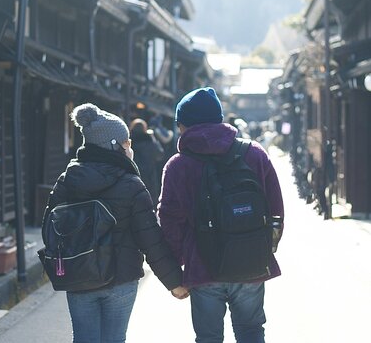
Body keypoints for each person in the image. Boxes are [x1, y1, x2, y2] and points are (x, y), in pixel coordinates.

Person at [44, 103, 188, 343]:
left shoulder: (67, 180)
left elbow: (50, 228)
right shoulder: (131, 184)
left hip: (79, 276)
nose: (129, 147)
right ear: (114, 145)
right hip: (121, 278)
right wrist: (175, 282)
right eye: (126, 142)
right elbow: (150, 238)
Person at [158, 87, 284, 343]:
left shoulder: (178, 165)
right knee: (251, 332)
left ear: (183, 125)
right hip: (251, 262)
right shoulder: (254, 153)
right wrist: (264, 248)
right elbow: (276, 210)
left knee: (208, 338)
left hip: (202, 267)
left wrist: (177, 268)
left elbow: (169, 222)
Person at [129, 118, 165, 207]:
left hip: (134, 175)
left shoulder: (129, 142)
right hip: (150, 175)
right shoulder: (150, 141)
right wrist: (153, 138)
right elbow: (160, 154)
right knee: (150, 202)